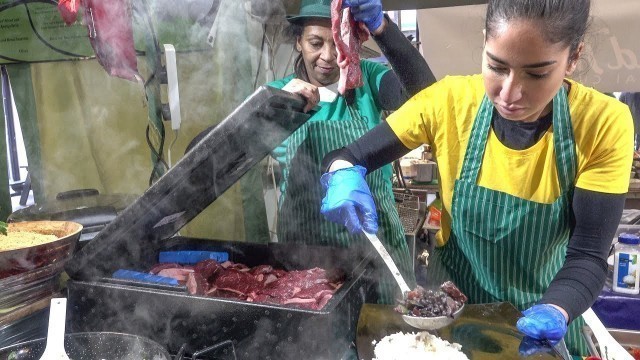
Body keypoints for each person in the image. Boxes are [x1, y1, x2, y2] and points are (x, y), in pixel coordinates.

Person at [318, 0, 633, 355]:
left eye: (537, 73)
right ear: (484, 41)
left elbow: (588, 256)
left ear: (573, 57)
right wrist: (342, 173)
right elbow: (348, 156)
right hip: (452, 321)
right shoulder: (450, 101)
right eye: (496, 66)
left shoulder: (602, 124)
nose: (510, 94)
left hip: (544, 311)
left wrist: (557, 308)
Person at [266, 0, 435, 303]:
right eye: (315, 42)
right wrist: (274, 107)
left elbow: (426, 95)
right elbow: (224, 150)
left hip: (378, 247)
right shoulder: (280, 91)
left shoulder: (367, 78)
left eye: (338, 42)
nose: (328, 57)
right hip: (310, 259)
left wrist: (382, 27)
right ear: (298, 42)